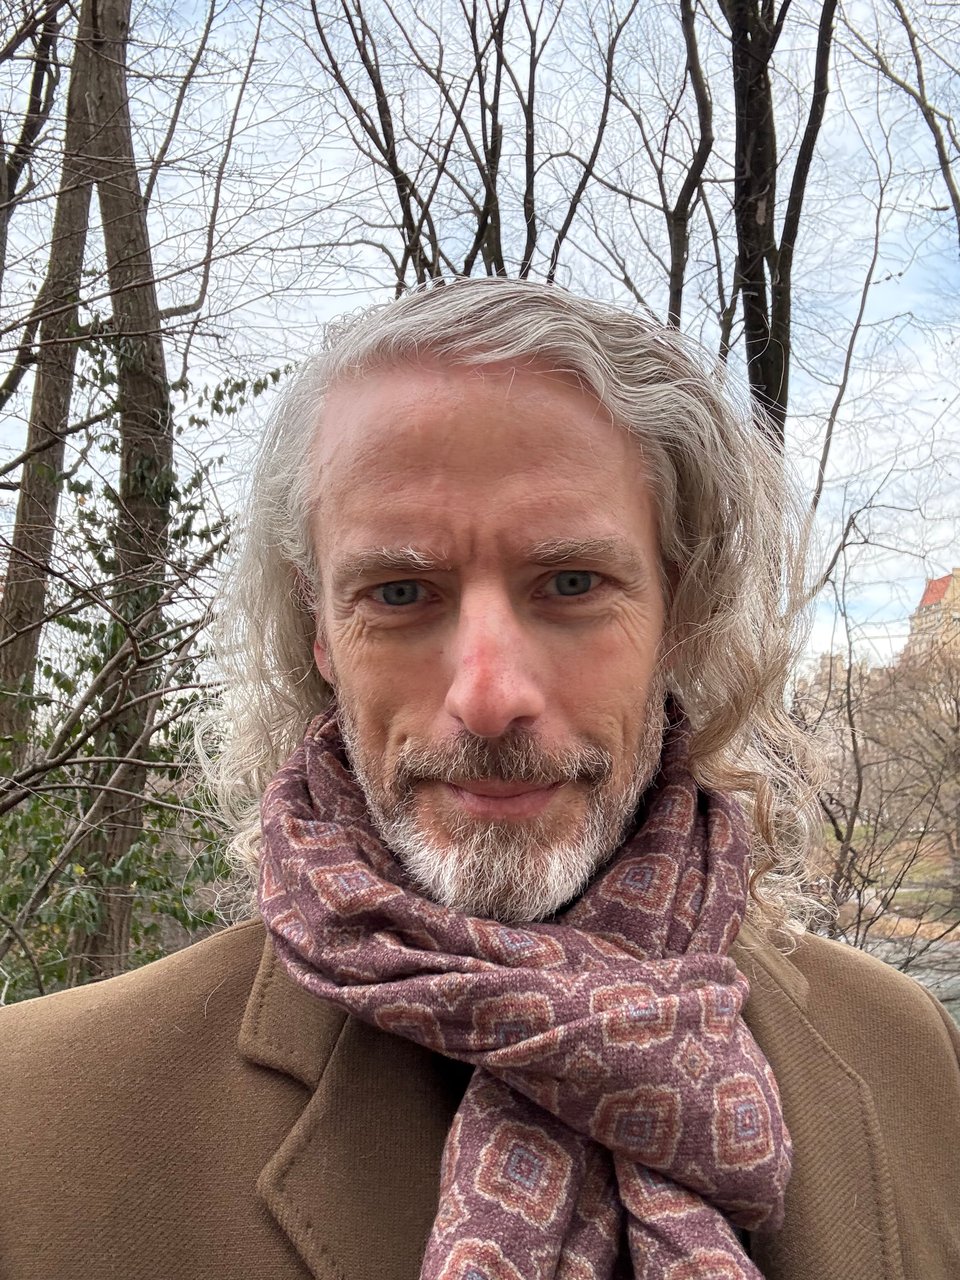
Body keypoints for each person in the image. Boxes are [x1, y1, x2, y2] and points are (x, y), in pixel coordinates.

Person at [1, 279, 958, 1280]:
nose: (490, 694)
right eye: (401, 592)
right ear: (321, 627)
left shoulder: (909, 1058)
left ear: (677, 610)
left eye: (573, 583)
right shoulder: (38, 1117)